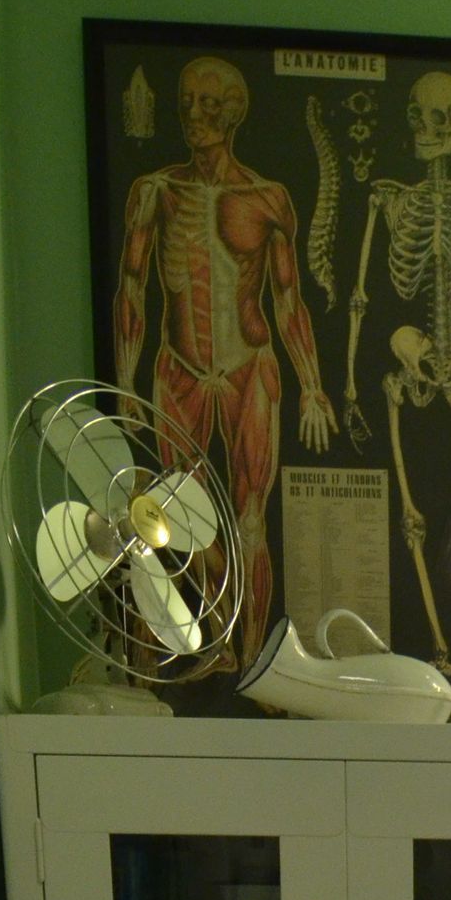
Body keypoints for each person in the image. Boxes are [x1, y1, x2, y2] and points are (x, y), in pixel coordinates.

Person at [115, 56, 336, 661]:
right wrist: (125, 382)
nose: (195, 115)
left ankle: (251, 658)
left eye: (210, 104)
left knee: (251, 519)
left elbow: (288, 300)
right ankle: (215, 643)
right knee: (182, 515)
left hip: (249, 368)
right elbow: (131, 288)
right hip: (178, 370)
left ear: (234, 112)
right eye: (187, 102)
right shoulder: (156, 192)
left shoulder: (267, 199)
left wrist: (313, 386)